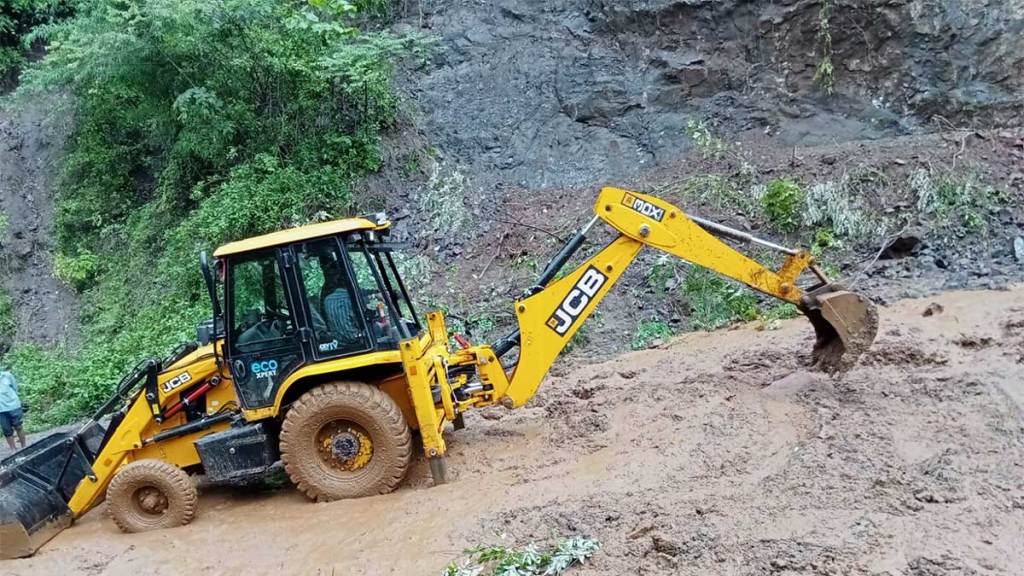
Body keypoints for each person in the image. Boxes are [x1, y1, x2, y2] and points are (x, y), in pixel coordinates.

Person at [0, 368, 26, 451]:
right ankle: (13, 450)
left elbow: (15, 388)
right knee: (6, 430)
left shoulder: (7, 375)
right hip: (1, 410)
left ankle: (24, 447)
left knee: (18, 426)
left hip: (13, 406)